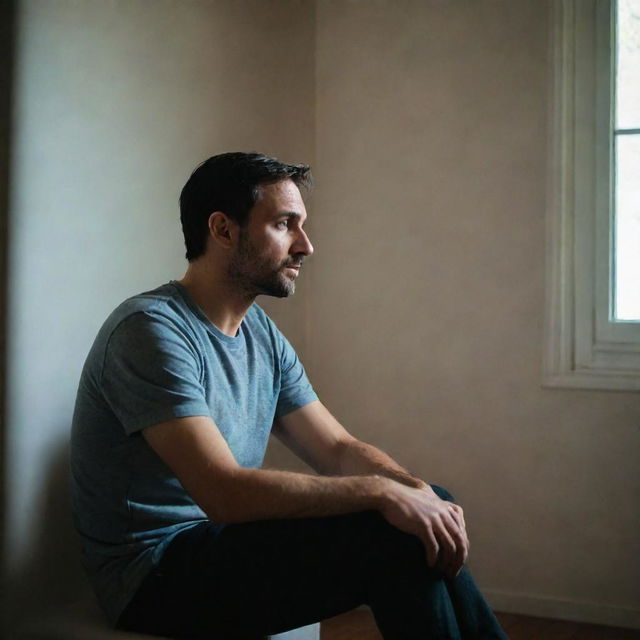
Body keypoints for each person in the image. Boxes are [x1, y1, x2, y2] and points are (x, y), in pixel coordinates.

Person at [70, 152, 507, 639]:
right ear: (223, 229)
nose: (307, 246)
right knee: (394, 531)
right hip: (153, 577)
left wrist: (408, 487)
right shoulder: (151, 331)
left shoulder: (260, 332)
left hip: (216, 546)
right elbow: (225, 494)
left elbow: (337, 449)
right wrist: (382, 494)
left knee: (427, 505)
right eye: (285, 224)